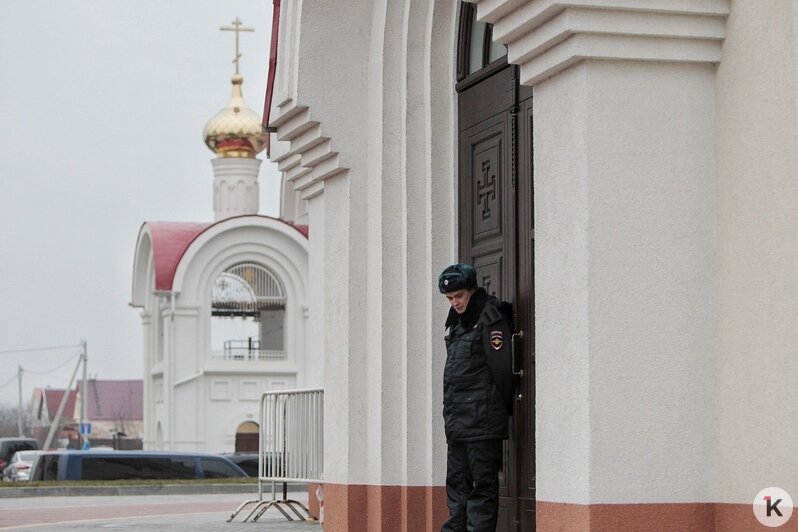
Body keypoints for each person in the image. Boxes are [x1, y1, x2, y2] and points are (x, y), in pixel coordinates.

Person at [438, 263, 515, 532]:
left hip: (482, 424)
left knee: (482, 492)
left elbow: (502, 371)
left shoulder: (489, 317)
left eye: (459, 296)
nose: (455, 302)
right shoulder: (458, 323)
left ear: (471, 290)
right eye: (449, 298)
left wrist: (495, 410)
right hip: (458, 425)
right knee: (456, 492)